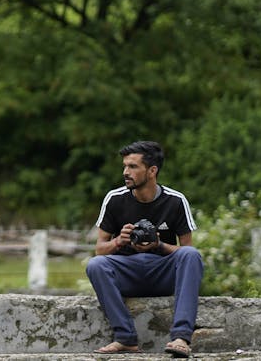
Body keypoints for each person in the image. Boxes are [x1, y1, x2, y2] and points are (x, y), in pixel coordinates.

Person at [85, 140, 203, 358]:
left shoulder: (176, 201)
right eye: (125, 166)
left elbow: (187, 251)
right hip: (128, 273)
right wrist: (119, 241)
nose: (125, 172)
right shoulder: (114, 199)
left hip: (162, 273)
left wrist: (159, 245)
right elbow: (99, 250)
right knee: (96, 265)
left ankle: (181, 337)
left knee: (192, 256)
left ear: (152, 171)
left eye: (132, 167)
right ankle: (125, 338)